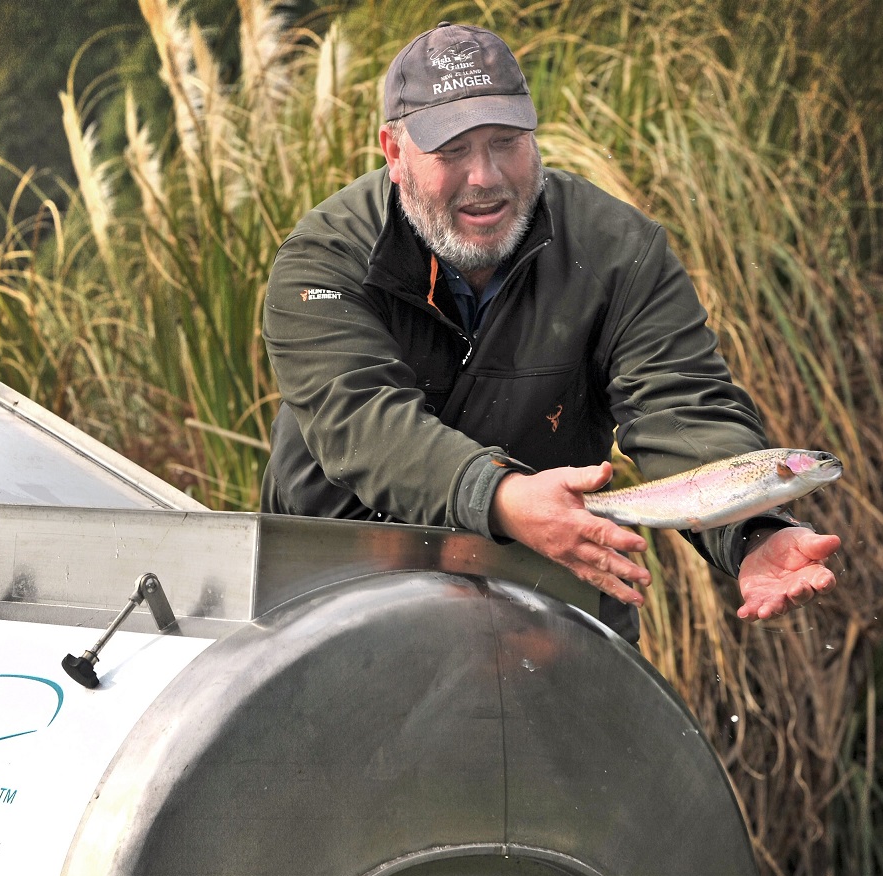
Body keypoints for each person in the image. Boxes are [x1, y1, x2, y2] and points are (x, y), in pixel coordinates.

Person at [259, 21, 840, 640]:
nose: (484, 177)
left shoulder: (622, 250)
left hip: (547, 592)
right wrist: (502, 497)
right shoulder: (323, 257)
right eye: (452, 151)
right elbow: (361, 420)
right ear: (395, 154)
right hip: (335, 591)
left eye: (506, 141)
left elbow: (684, 409)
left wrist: (754, 529)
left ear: (535, 135)